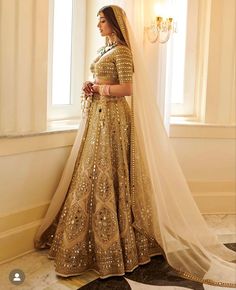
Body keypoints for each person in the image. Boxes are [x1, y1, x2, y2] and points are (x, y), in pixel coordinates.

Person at [34, 5, 236, 287]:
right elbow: (106, 80)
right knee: (94, 175)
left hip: (114, 120)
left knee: (112, 173)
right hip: (100, 118)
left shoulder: (123, 52)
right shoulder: (106, 50)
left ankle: (117, 243)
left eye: (102, 21)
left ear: (114, 24)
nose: (98, 26)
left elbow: (128, 88)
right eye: (98, 21)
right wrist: (91, 85)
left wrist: (100, 89)